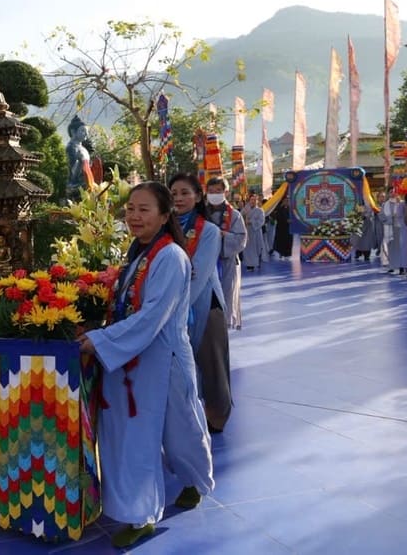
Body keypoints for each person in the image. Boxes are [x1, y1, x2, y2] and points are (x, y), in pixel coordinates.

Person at [77, 182, 211, 548]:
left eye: (144, 209)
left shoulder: (171, 258)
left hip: (162, 360)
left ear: (165, 216)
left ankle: (194, 480)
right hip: (128, 361)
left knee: (180, 435)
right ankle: (139, 513)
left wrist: (101, 341)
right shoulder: (138, 253)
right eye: (131, 209)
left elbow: (153, 317)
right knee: (130, 438)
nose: (134, 216)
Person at [169, 174, 232, 434]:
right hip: (173, 306)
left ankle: (217, 415)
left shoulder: (209, 231)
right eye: (173, 194)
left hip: (204, 304)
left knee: (211, 363)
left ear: (197, 196)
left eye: (185, 193)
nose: (179, 198)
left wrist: (174, 308)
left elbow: (201, 273)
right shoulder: (166, 227)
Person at [204, 177, 247, 329]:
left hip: (227, 262)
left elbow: (241, 238)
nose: (214, 194)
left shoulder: (234, 215)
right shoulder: (202, 214)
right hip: (206, 263)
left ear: (226, 193)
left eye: (218, 191)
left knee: (227, 295)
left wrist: (224, 235)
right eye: (210, 191)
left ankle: (225, 325)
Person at [381, 188, 405, 274]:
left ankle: (402, 267)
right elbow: (382, 216)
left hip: (398, 229)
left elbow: (404, 215)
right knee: (390, 248)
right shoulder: (385, 205)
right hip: (389, 228)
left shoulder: (401, 203)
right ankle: (392, 266)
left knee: (400, 248)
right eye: (391, 192)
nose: (393, 194)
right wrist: (389, 220)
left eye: (395, 192)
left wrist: (397, 217)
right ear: (388, 194)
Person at [241, 193, 265, 271]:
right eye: (251, 200)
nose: (253, 201)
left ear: (257, 201)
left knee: (256, 248)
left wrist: (251, 222)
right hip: (247, 231)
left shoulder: (260, 210)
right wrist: (244, 220)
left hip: (255, 232)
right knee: (247, 249)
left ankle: (256, 263)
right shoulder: (245, 209)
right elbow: (240, 217)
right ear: (249, 200)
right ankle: (249, 265)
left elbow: (261, 221)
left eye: (255, 200)